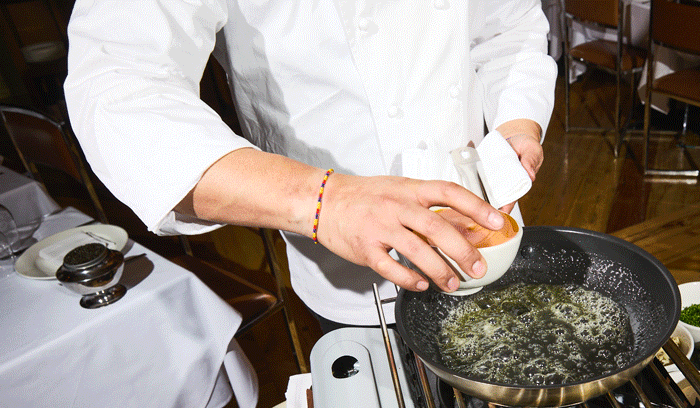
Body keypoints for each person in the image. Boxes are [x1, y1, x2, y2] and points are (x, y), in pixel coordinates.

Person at [64, 0, 557, 328]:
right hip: (345, 267)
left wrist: (519, 123)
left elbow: (508, 27)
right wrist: (327, 201)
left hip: (485, 220)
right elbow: (117, 86)